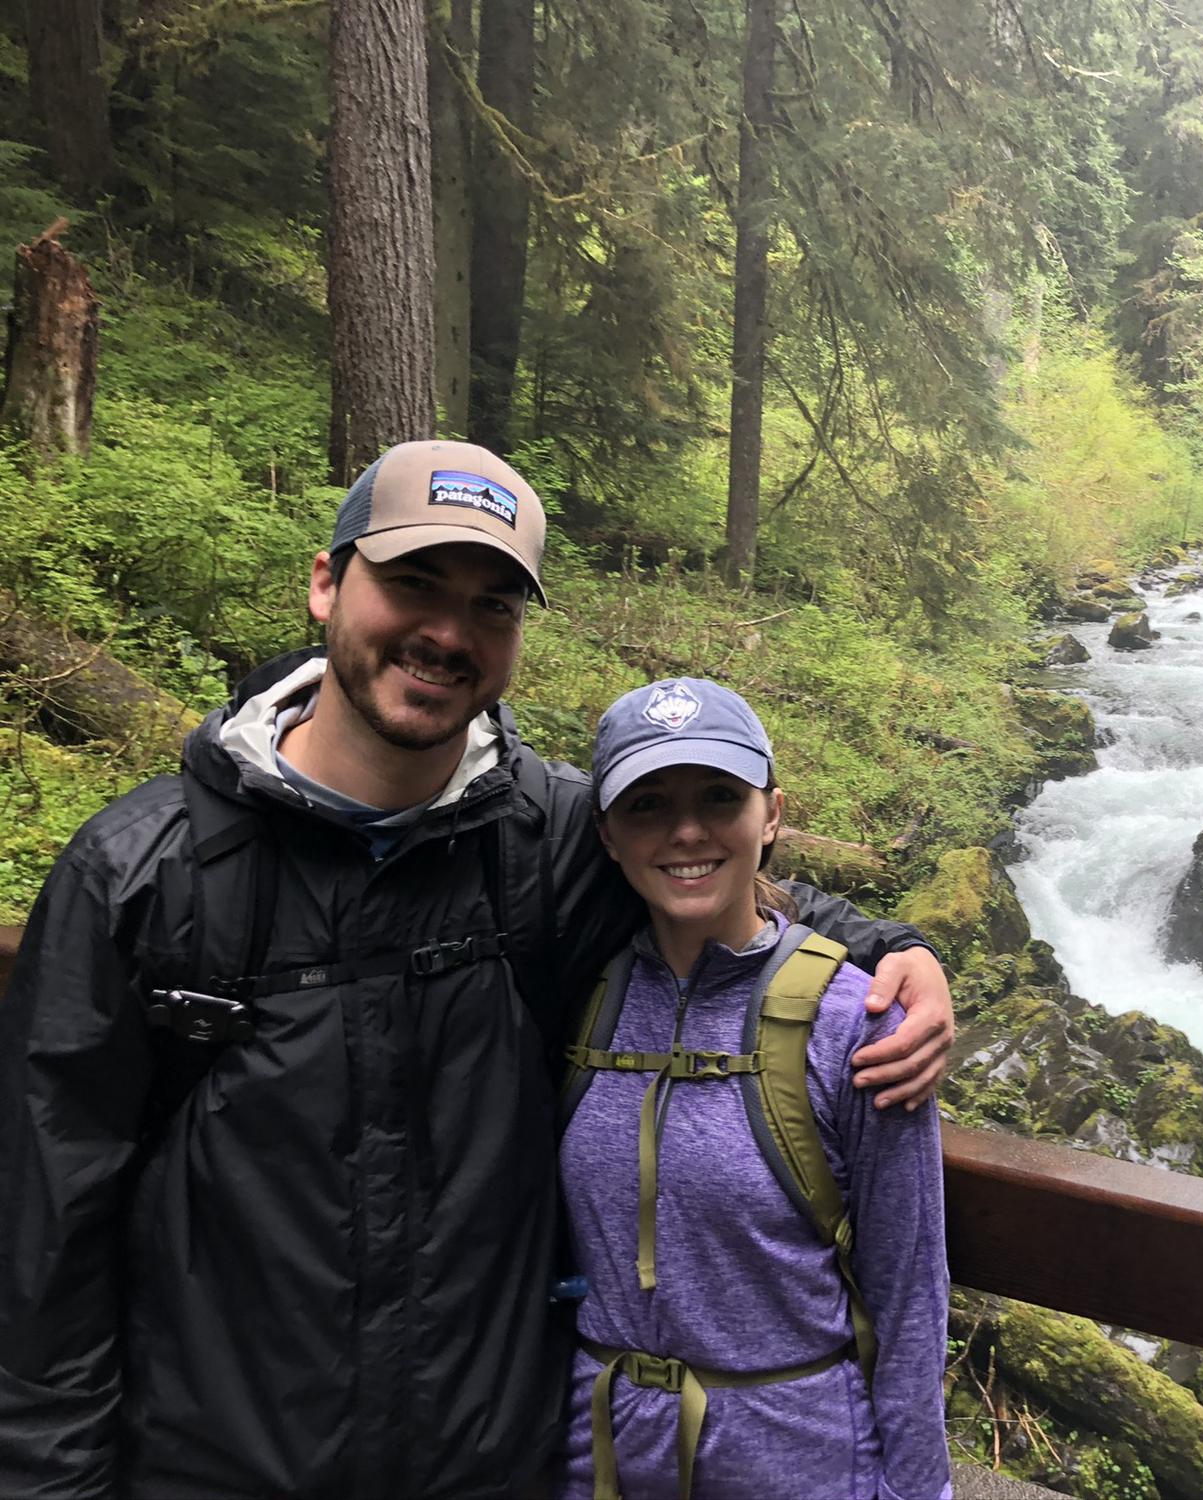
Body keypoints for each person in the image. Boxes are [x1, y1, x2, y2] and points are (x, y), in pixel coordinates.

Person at [0, 441, 955, 1498]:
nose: (448, 632)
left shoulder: (541, 840)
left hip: (491, 1465)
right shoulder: (140, 874)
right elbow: (46, 1236)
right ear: (325, 584)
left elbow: (702, 877)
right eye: (412, 583)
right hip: (215, 1466)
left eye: (492, 605)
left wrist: (894, 950)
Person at [558, 678, 948, 1500]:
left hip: (797, 1459)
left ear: (771, 815)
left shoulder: (861, 1024)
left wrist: (919, 1489)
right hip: (600, 1456)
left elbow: (910, 1293)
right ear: (606, 833)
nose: (687, 830)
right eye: (649, 804)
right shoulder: (573, 995)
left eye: (719, 797)